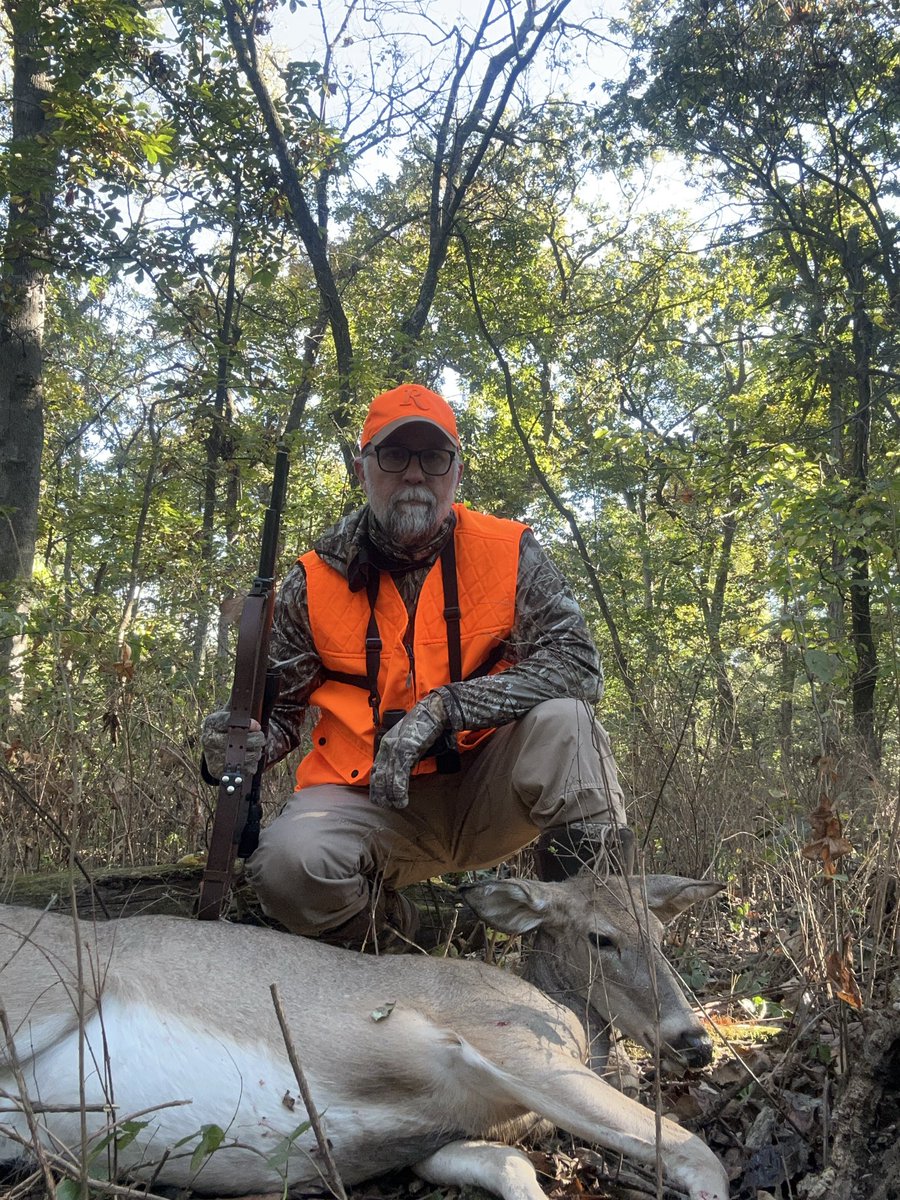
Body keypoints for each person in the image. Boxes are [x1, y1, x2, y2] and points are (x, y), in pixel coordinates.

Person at [201, 383, 628, 949]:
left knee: (569, 724)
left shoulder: (508, 551)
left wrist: (447, 708)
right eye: (395, 456)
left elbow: (578, 664)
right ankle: (404, 943)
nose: (414, 475)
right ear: (362, 469)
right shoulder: (314, 581)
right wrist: (236, 741)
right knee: (288, 867)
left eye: (433, 457)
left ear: (456, 472)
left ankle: (592, 958)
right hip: (367, 800)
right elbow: (280, 717)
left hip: (490, 786)